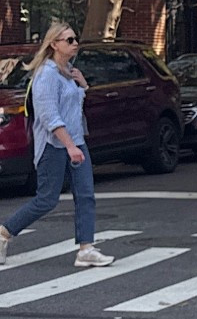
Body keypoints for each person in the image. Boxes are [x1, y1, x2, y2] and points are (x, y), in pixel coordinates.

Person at [0, 21, 115, 269]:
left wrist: (82, 86)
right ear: (54, 44)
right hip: (54, 146)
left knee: (85, 195)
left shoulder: (68, 71)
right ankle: (4, 233)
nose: (75, 44)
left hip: (76, 142)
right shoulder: (46, 75)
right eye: (69, 40)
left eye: (75, 39)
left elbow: (72, 109)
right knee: (47, 200)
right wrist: (69, 146)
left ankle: (86, 249)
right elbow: (50, 116)